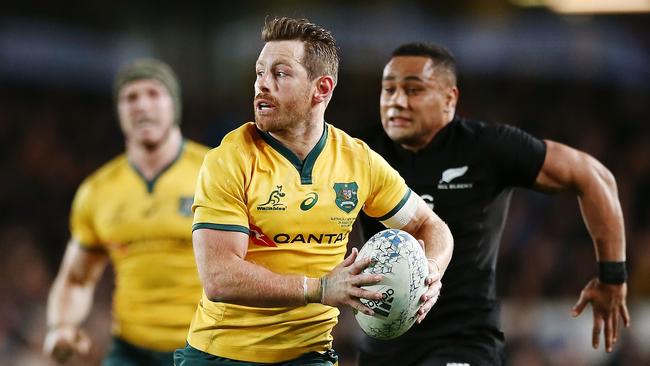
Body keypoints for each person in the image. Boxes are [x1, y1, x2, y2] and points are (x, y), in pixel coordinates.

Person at [173, 17, 454, 366]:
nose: (262, 85)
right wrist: (320, 289)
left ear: (321, 88)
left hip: (309, 356)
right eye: (259, 73)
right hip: (222, 355)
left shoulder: (357, 161)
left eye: (280, 73)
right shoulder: (230, 159)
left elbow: (432, 226)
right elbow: (219, 276)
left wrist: (429, 272)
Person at [355, 42, 630, 366]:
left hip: (464, 341)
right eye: (388, 90)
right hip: (382, 342)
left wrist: (612, 277)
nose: (397, 101)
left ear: (449, 99)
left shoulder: (485, 148)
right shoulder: (360, 154)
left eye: (413, 90)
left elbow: (595, 177)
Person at [43, 59, 210, 365]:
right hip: (131, 350)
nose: (142, 106)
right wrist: (62, 326)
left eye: (153, 94)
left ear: (174, 104)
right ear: (118, 111)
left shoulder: (217, 172)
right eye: (130, 97)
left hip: (209, 347)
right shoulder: (97, 191)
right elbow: (77, 279)